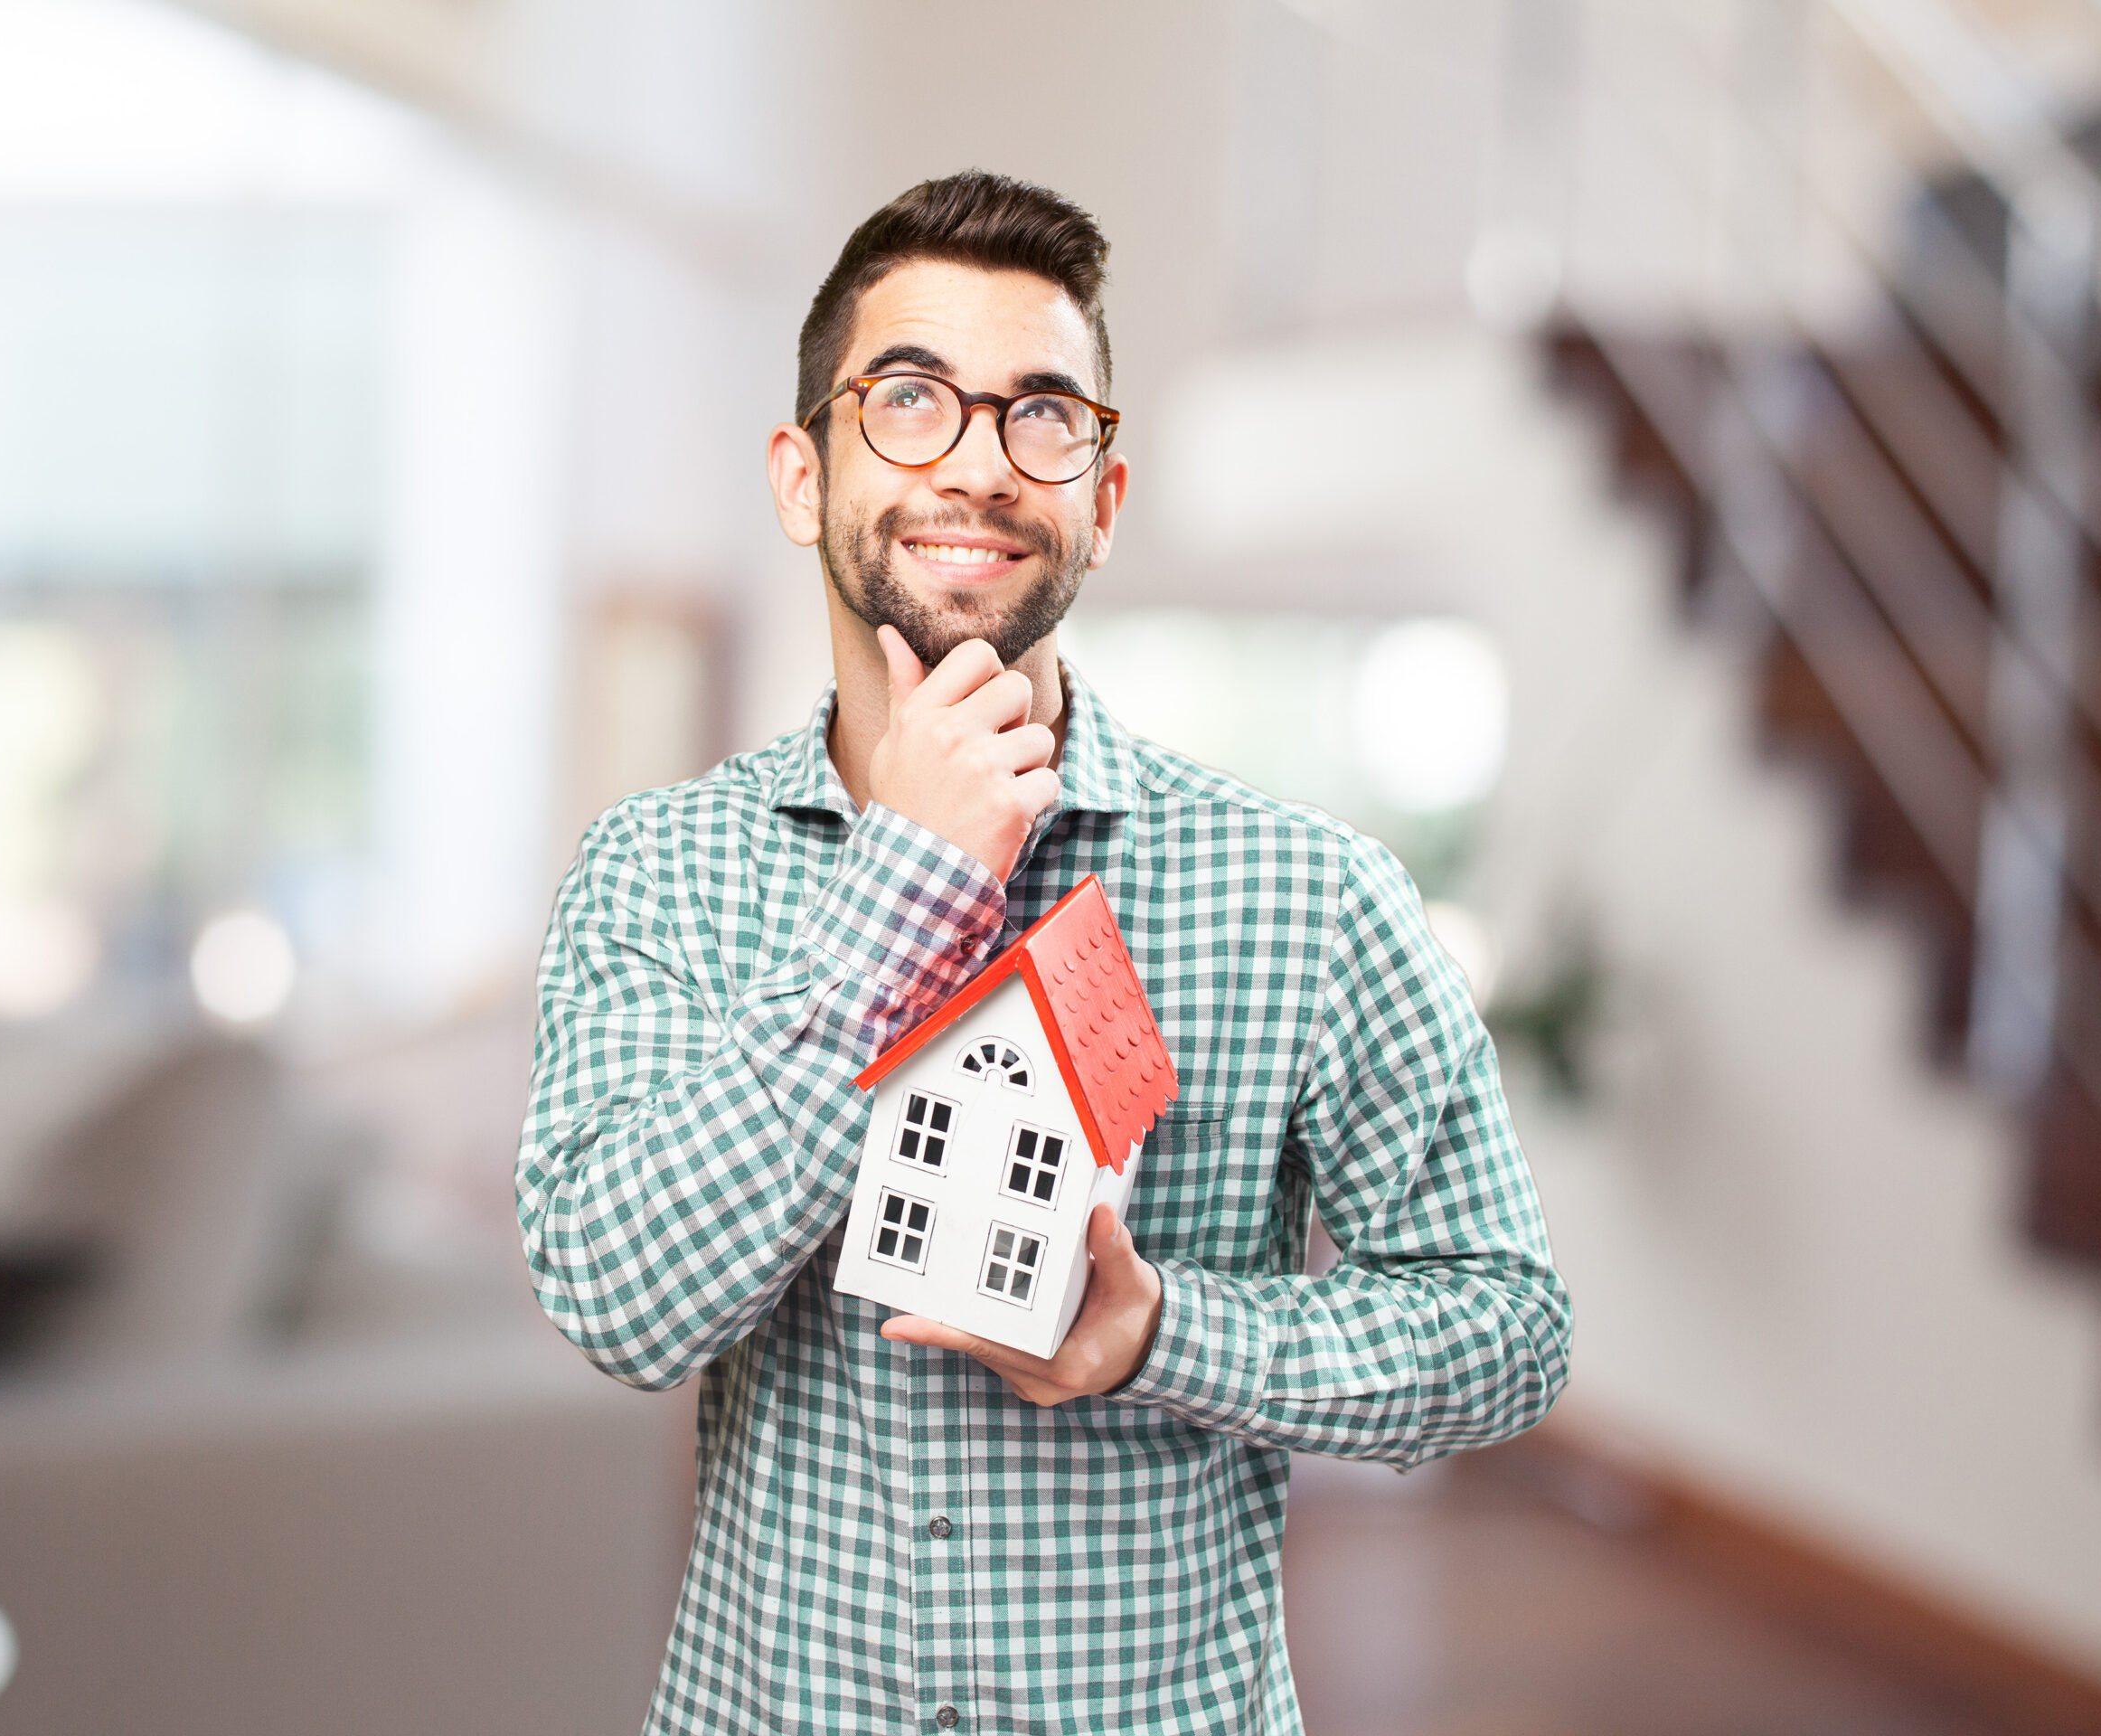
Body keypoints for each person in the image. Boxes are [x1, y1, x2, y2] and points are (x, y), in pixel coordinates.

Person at [518, 170, 1570, 1736]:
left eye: (1042, 417)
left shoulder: (1310, 893)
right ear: (802, 476)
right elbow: (620, 1300)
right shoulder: (659, 870)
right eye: (913, 401)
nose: (979, 466)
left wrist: (1164, 1333)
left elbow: (1505, 1331)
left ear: (1104, 495)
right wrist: (909, 890)